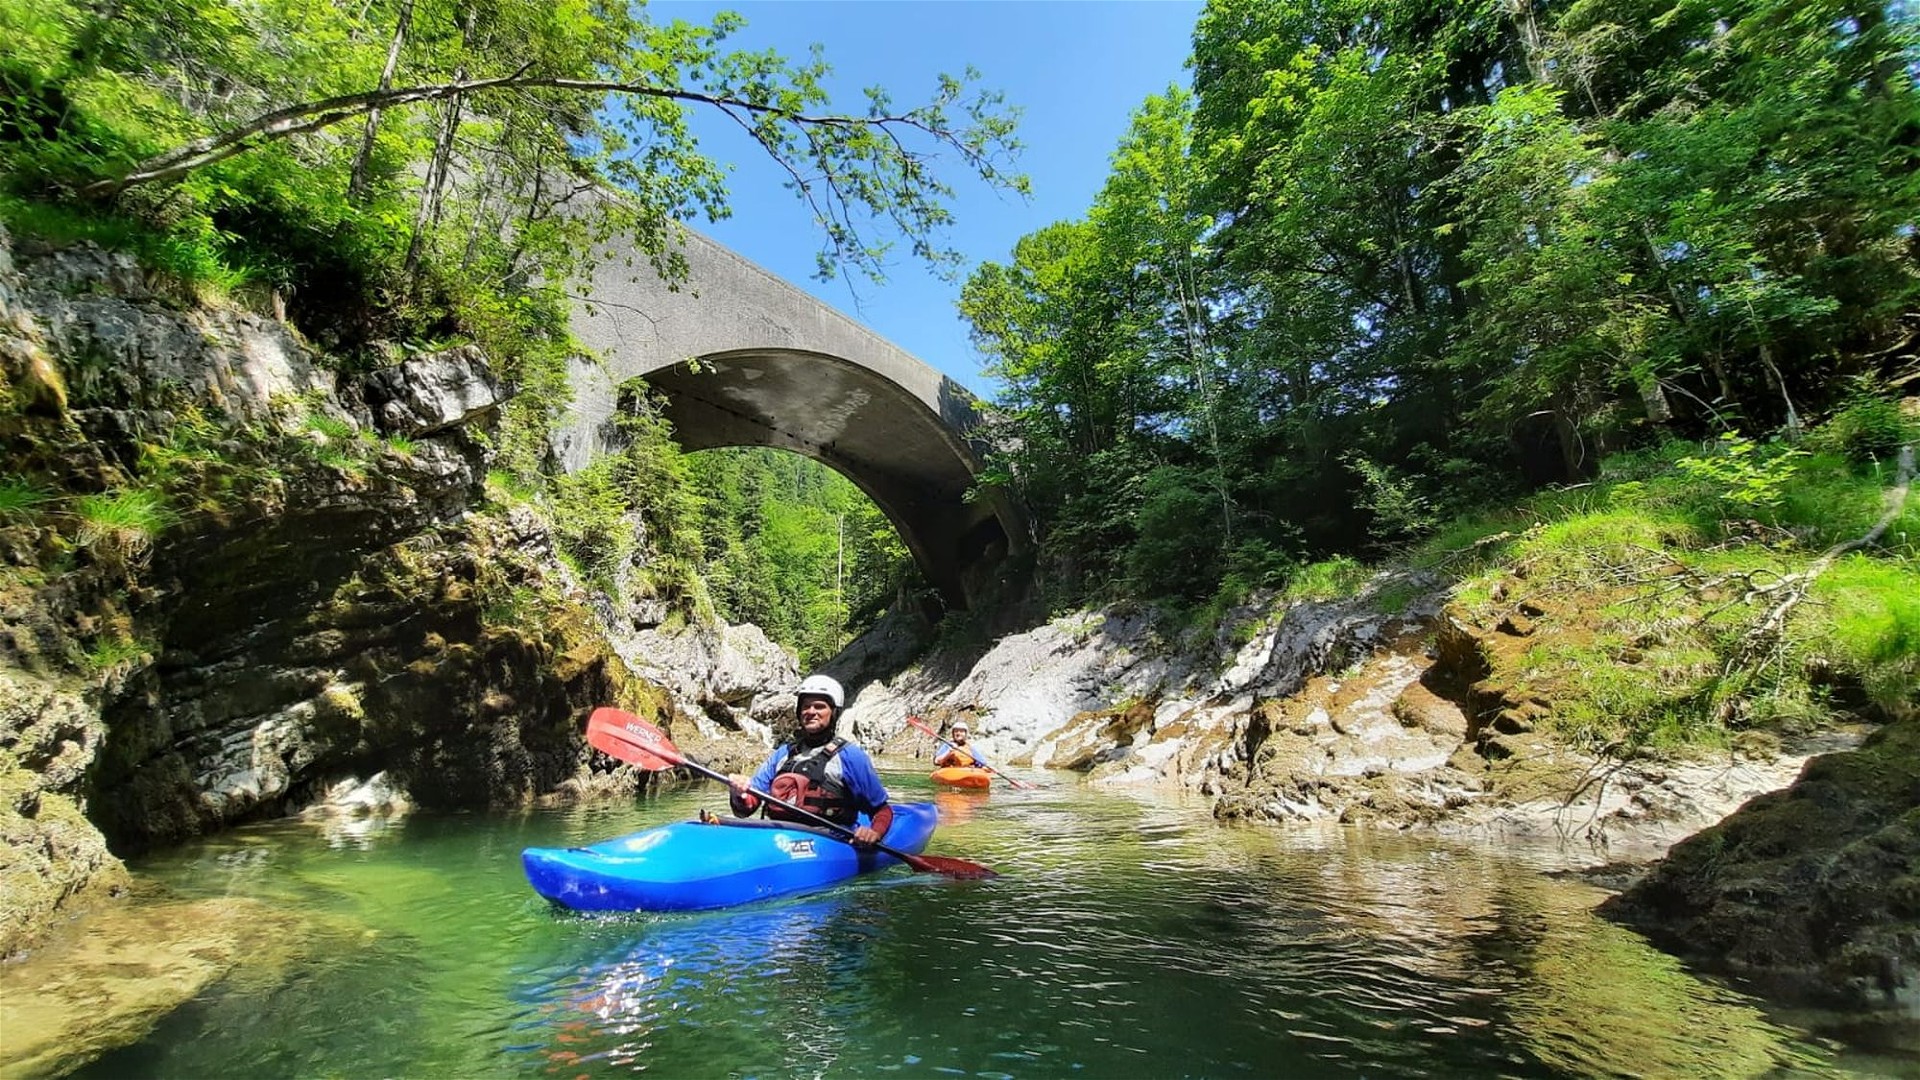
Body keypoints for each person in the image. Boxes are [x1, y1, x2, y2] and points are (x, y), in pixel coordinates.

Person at [726, 674, 895, 847]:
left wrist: (874, 832)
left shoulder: (850, 756)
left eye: (819, 707)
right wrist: (740, 794)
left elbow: (882, 809)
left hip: (830, 839)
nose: (811, 712)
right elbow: (745, 811)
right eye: (806, 706)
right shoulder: (782, 753)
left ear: (834, 712)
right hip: (779, 835)